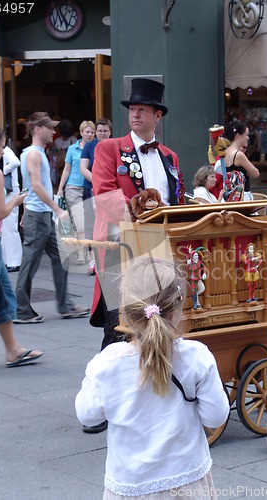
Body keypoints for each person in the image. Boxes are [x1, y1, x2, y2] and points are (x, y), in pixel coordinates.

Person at [75, 257, 229, 499]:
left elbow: (88, 415)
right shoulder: (196, 356)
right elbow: (215, 416)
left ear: (126, 310)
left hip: (131, 484)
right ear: (177, 309)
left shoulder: (107, 363)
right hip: (185, 479)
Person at [91, 77, 185, 348]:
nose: (134, 114)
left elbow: (176, 202)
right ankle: (110, 386)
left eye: (142, 109)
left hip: (161, 252)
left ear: (157, 115)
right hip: (120, 249)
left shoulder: (170, 156)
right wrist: (140, 213)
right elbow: (105, 196)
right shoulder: (109, 149)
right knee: (120, 330)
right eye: (132, 109)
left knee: (159, 323)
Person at [14, 112, 90, 324]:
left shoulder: (34, 152)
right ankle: (21, 310)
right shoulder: (33, 155)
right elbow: (36, 185)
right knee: (30, 263)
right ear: (38, 129)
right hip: (39, 217)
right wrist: (57, 209)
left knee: (60, 256)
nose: (53, 131)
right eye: (49, 128)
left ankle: (64, 305)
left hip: (39, 215)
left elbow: (30, 186)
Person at [0, 123, 43, 369]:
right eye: (2, 144)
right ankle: (13, 350)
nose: (4, 148)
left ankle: (13, 350)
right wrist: (16, 201)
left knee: (3, 297)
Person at [57, 120, 96, 264]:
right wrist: (60, 188)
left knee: (89, 223)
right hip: (73, 187)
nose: (90, 134)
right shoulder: (73, 149)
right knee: (79, 222)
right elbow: (67, 169)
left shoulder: (96, 148)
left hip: (90, 188)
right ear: (81, 133)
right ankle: (81, 254)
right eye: (87, 132)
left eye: (92, 132)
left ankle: (91, 253)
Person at [80, 117, 112, 275]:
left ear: (110, 132)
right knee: (92, 225)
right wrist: (98, 182)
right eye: (99, 131)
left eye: (105, 131)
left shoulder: (114, 146)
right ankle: (93, 260)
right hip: (91, 190)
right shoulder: (89, 146)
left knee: (109, 225)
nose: (102, 134)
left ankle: (107, 258)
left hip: (110, 193)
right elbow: (83, 168)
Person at [212, 120, 259, 201]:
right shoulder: (239, 155)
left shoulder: (224, 153)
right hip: (242, 197)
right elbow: (255, 174)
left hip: (229, 196)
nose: (247, 138)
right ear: (238, 136)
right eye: (246, 135)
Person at [0, 144, 23, 272]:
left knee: (10, 227)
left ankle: (14, 261)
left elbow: (15, 162)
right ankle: (9, 260)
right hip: (9, 191)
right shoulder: (4, 150)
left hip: (11, 192)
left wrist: (1, 171)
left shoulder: (5, 150)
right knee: (7, 227)